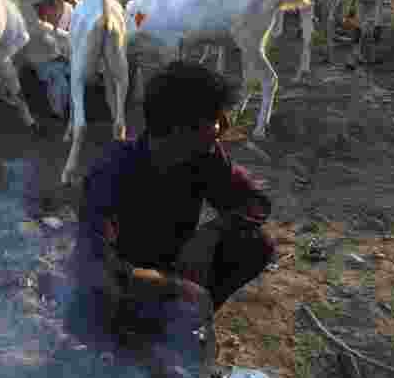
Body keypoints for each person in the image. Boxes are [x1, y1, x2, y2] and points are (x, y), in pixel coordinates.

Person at [67, 61, 276, 338]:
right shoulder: (113, 170)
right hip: (121, 284)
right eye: (215, 118)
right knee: (101, 311)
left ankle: (182, 324)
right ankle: (142, 332)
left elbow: (255, 202)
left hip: (172, 267)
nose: (224, 126)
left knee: (254, 244)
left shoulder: (204, 157)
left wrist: (212, 233)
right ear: (181, 129)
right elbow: (97, 262)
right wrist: (171, 287)